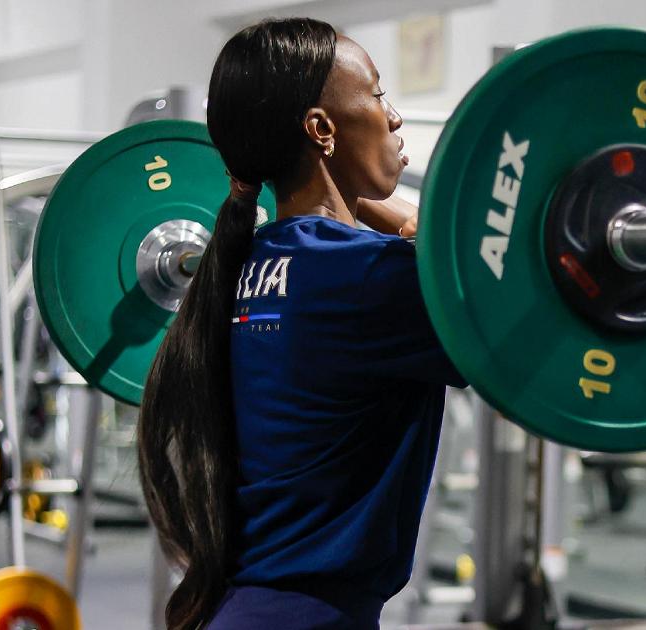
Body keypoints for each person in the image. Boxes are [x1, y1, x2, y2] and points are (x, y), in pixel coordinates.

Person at [136, 17, 466, 629]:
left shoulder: (244, 264)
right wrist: (398, 216)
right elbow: (510, 306)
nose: (393, 117)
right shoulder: (370, 276)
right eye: (377, 93)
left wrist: (360, 204)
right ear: (321, 129)